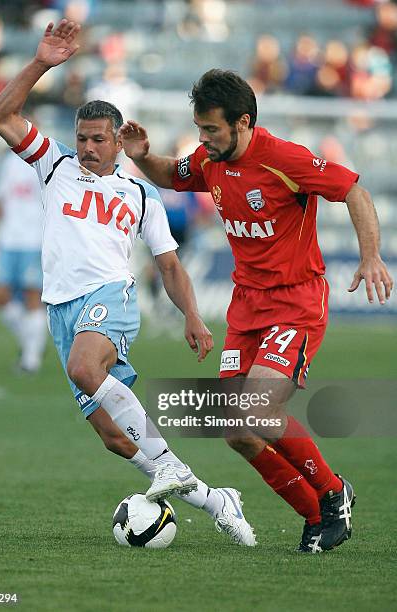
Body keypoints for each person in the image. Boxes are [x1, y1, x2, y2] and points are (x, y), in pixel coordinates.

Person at [0, 21, 255, 546]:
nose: (86, 148)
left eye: (98, 140)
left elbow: (170, 265)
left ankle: (175, 473)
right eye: (82, 137)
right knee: (114, 435)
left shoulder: (140, 196)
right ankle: (213, 498)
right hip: (61, 307)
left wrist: (194, 317)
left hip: (110, 296)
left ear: (118, 142)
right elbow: (1, 116)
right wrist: (42, 62)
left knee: (85, 369)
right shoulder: (54, 165)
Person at [119, 68, 393, 552]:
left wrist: (371, 255)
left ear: (242, 121)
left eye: (211, 130)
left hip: (296, 303)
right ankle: (316, 517)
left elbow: (355, 191)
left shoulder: (284, 158)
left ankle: (333, 495)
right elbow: (171, 174)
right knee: (237, 432)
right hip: (246, 308)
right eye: (200, 129)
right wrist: (142, 157)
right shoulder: (212, 159)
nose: (203, 139)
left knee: (259, 410)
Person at [0, 150, 47, 373]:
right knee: (1, 297)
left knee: (32, 296)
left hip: (33, 239)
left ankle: (31, 359)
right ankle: (31, 343)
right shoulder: (9, 161)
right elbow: (2, 196)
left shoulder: (43, 162)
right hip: (8, 238)